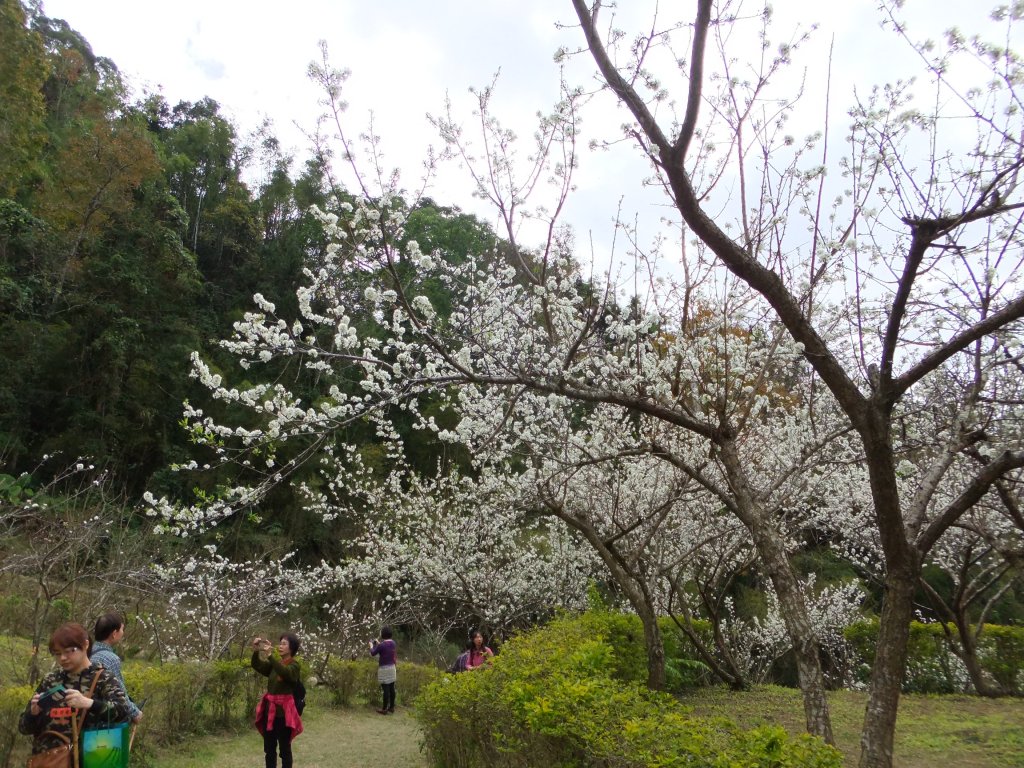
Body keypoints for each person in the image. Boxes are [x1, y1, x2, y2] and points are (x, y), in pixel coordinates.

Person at [20, 622, 131, 765]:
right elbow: (23, 728)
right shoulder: (51, 680)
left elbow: (123, 712)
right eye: (57, 653)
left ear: (85, 645)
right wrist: (33, 713)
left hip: (89, 760)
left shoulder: (103, 678)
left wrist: (89, 703)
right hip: (48, 761)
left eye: (68, 651)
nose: (62, 658)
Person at [252, 633, 305, 768]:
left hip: (284, 715)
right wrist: (256, 650)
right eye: (280, 643)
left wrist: (270, 657)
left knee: (284, 750)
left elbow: (286, 674)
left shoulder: (294, 665)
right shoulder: (276, 665)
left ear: (291, 648)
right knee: (269, 749)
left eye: (284, 644)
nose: (280, 646)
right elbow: (258, 666)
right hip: (269, 712)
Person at [89, 612, 143, 724]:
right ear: (114, 633)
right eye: (122, 629)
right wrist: (135, 713)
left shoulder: (88, 652)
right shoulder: (111, 659)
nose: (123, 633)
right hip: (104, 721)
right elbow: (120, 692)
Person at [368, 626, 396, 714]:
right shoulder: (393, 643)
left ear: (383, 634)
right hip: (392, 668)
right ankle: (391, 707)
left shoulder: (381, 645)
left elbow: (373, 653)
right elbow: (384, 648)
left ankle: (384, 709)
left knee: (386, 689)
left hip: (384, 669)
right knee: (392, 688)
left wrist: (371, 645)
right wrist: (378, 643)